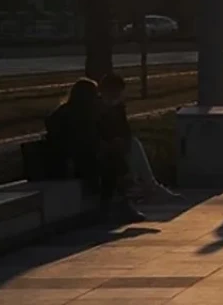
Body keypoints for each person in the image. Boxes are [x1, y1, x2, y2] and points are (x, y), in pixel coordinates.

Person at [45, 77, 144, 222]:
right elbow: (84, 141)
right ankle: (116, 205)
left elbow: (93, 138)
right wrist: (107, 146)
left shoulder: (70, 112)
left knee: (115, 158)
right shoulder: (79, 115)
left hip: (72, 159)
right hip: (71, 162)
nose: (98, 98)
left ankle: (118, 204)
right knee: (113, 163)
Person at [98, 73, 179, 204]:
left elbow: (125, 130)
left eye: (118, 92)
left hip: (116, 144)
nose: (116, 96)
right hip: (103, 146)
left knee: (133, 144)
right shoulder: (98, 108)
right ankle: (148, 186)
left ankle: (145, 185)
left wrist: (122, 140)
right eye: (114, 92)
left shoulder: (117, 107)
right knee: (132, 146)